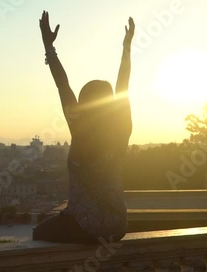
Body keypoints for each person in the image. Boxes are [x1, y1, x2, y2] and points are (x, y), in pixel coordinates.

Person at [32, 11, 134, 244]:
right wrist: (126, 48)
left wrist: (49, 47)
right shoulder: (121, 129)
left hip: (86, 225)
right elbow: (123, 86)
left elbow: (62, 85)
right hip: (118, 224)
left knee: (38, 234)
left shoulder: (80, 129)